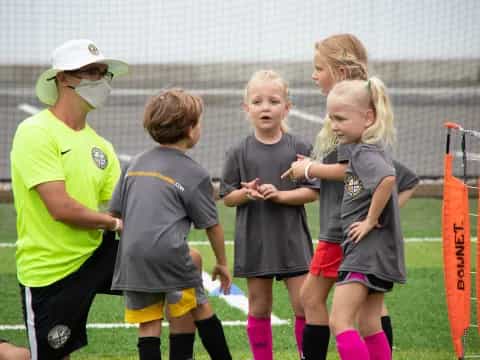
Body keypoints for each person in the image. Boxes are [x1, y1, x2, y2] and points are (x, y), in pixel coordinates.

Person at [295, 34, 418, 360]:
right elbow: (389, 179)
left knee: (318, 304)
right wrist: (379, 217)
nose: (314, 75)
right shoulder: (357, 125)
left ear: (341, 72)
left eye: (319, 68)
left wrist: (310, 170)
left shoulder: (359, 136)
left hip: (343, 233)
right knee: (368, 315)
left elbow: (373, 175)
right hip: (356, 235)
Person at [9, 39, 128, 360]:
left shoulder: (100, 145)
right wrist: (115, 222)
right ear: (63, 78)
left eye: (104, 74)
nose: (101, 81)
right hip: (50, 270)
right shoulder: (35, 132)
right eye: (91, 72)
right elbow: (60, 208)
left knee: (178, 269)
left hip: (95, 254)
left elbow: (123, 201)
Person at [109, 89, 233, 360]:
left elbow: (116, 213)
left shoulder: (134, 164)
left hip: (132, 258)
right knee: (200, 307)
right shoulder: (194, 173)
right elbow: (211, 224)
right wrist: (222, 263)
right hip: (170, 257)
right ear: (190, 130)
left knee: (149, 324)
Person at [220, 70, 319, 360]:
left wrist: (281, 195)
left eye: (274, 101)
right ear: (246, 108)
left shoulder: (299, 147)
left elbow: (313, 191)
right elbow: (227, 197)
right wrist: (246, 193)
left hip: (291, 239)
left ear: (286, 107)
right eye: (258, 101)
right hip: (255, 240)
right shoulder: (238, 151)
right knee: (259, 306)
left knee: (304, 306)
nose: (266, 107)